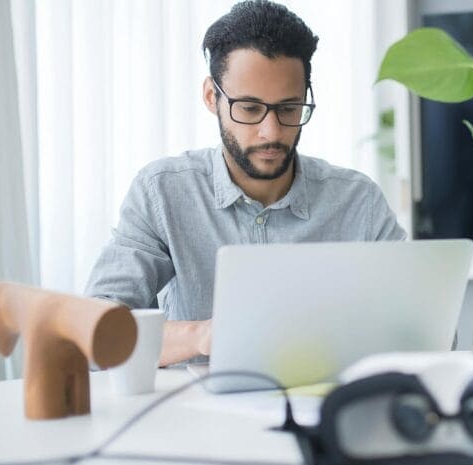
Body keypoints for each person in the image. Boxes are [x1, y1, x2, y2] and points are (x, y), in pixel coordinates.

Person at [85, 0, 406, 366]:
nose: (271, 132)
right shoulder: (162, 191)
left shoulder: (357, 201)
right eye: (250, 109)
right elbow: (95, 331)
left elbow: (430, 333)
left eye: (288, 108)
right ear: (212, 97)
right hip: (198, 417)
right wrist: (202, 335)